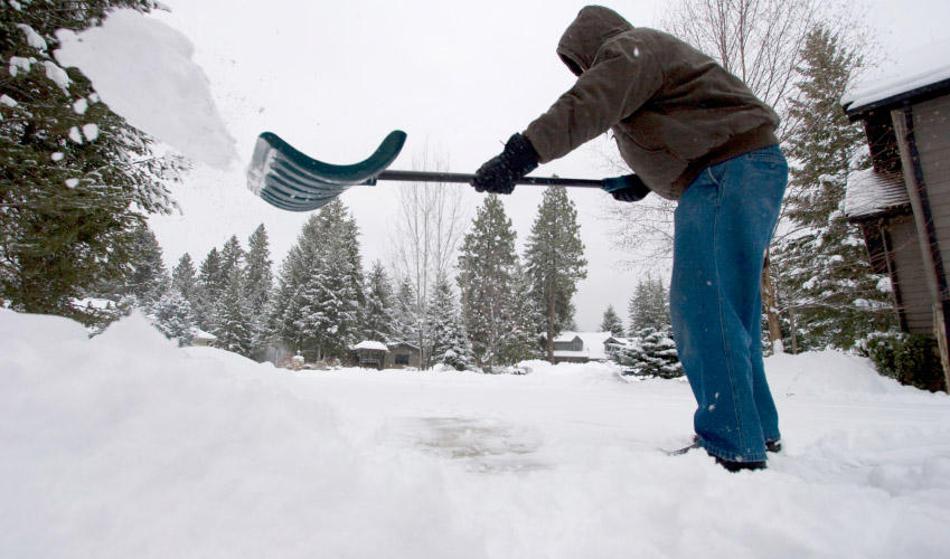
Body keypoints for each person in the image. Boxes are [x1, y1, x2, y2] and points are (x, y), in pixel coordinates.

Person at [470, 5, 788, 472]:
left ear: (590, 46)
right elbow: (681, 124)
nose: (584, 73)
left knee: (703, 307)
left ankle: (734, 444)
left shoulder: (630, 48)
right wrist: (644, 178)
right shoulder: (650, 56)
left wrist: (522, 154)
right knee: (730, 309)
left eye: (582, 65)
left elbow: (589, 103)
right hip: (740, 170)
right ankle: (755, 429)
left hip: (726, 173)